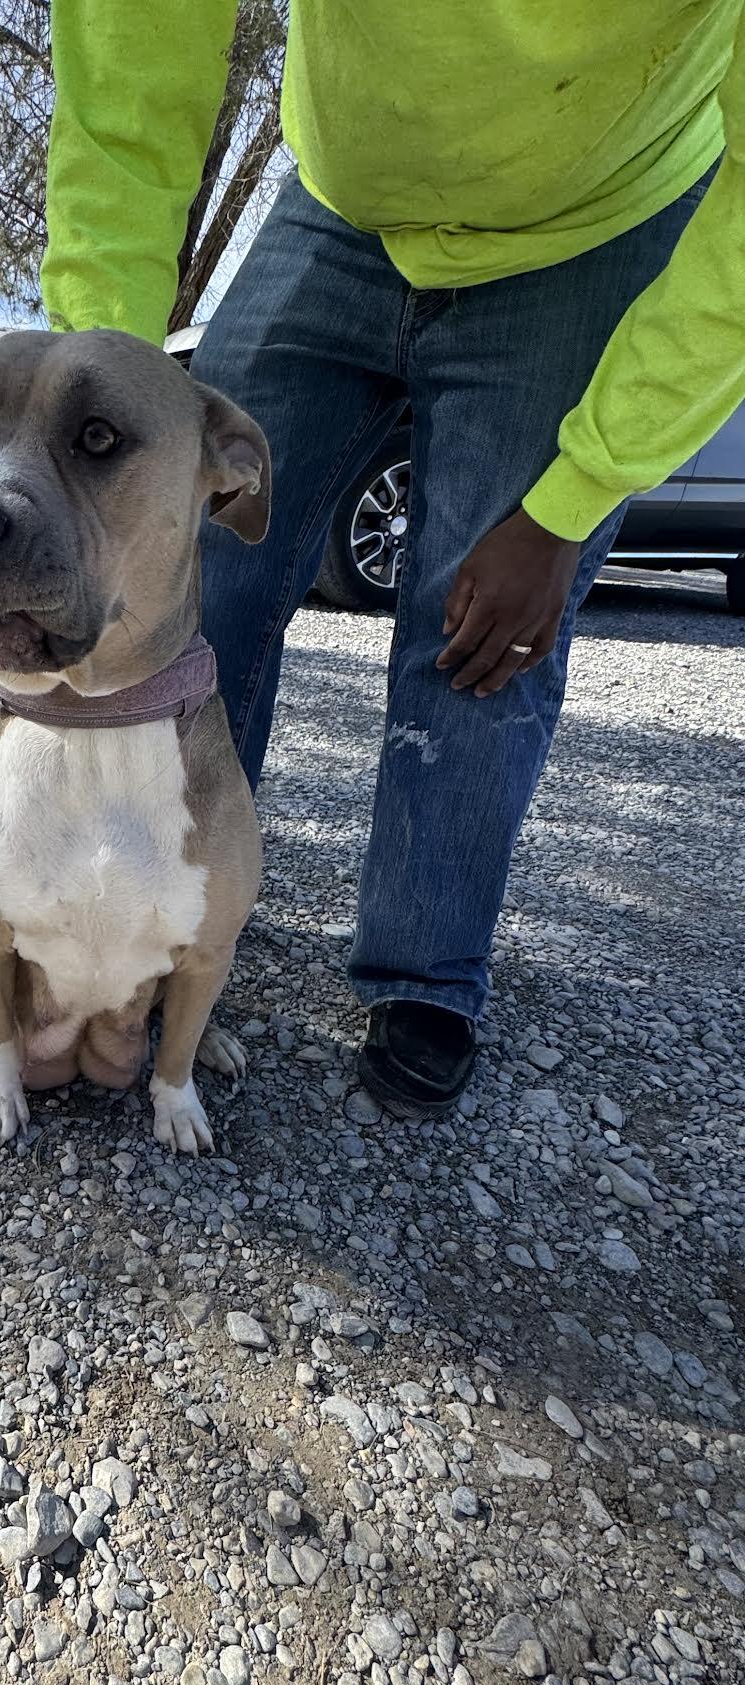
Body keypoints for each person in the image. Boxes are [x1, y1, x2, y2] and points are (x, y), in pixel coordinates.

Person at [40, 0, 745, 1117]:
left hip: (593, 224)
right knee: (188, 568)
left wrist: (572, 500)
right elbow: (132, 57)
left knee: (478, 630)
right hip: (339, 204)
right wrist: (100, 380)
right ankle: (142, 906)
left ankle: (427, 970)